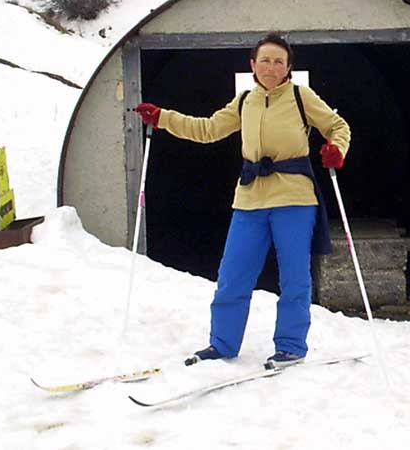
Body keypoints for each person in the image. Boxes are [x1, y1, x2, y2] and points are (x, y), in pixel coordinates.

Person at [135, 33, 350, 369]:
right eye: (264, 59)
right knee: (232, 276)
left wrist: (336, 149)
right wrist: (163, 118)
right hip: (249, 199)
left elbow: (337, 126)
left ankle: (291, 346)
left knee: (294, 278)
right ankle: (222, 343)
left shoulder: (299, 96)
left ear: (288, 67)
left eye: (279, 60)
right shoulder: (244, 101)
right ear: (252, 65)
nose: (271, 66)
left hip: (294, 198)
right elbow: (206, 129)